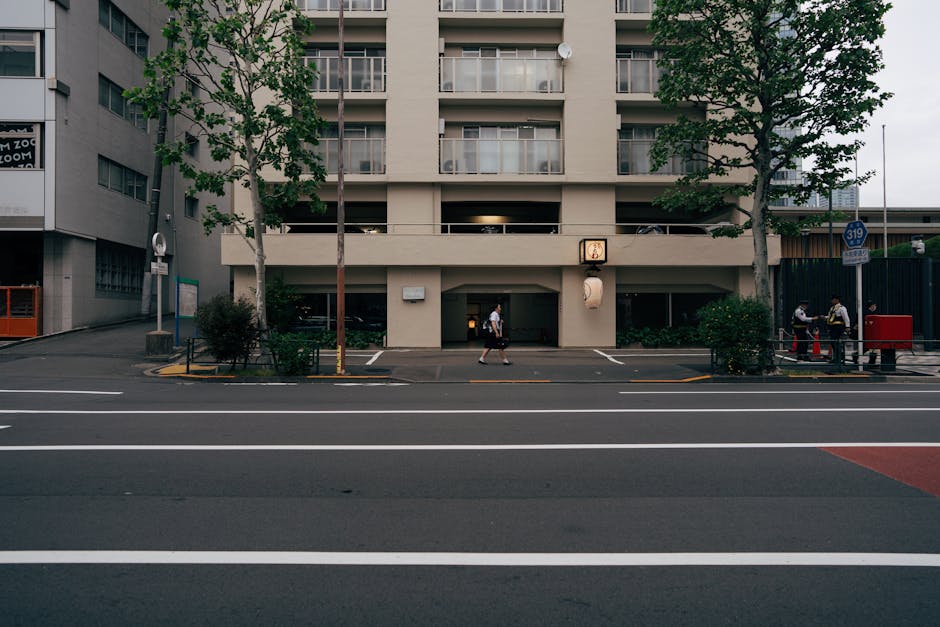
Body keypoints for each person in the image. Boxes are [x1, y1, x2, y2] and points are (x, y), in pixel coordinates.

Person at [825, 294, 851, 363]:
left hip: (838, 327)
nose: (832, 301)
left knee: (837, 343)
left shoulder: (841, 308)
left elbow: (846, 317)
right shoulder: (832, 308)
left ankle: (839, 358)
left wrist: (847, 326)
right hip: (832, 327)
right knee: (833, 342)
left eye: (833, 299)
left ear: (837, 300)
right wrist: (824, 317)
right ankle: (836, 357)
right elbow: (830, 316)